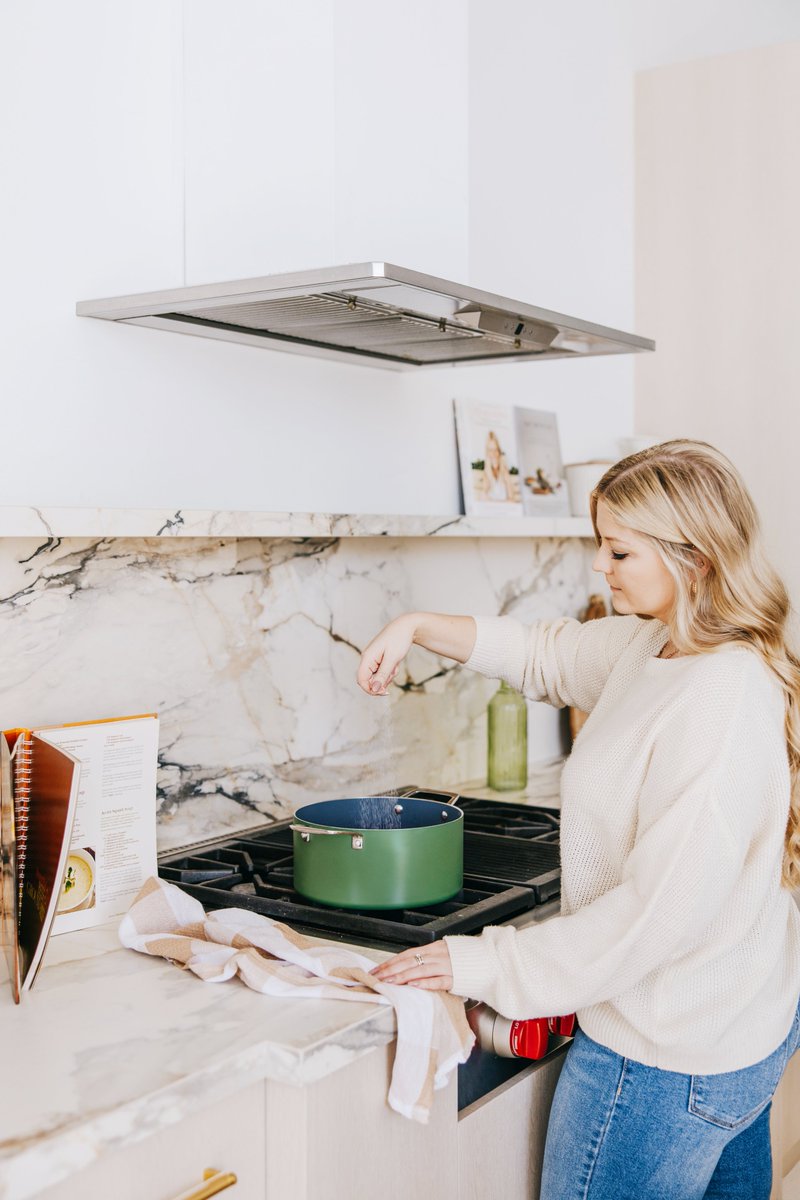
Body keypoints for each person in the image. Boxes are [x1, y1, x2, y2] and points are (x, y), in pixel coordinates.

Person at [356, 440, 800, 1200]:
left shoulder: (718, 701)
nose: (600, 566)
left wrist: (486, 964)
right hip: (730, 1029)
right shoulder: (663, 646)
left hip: (661, 1062)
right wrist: (417, 624)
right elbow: (546, 655)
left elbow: (657, 915)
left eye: (619, 550)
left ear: (691, 558)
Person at [479, 430, 520, 502]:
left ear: (499, 451)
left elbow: (512, 498)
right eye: (490, 450)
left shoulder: (504, 470)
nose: (493, 454)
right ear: (487, 453)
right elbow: (483, 496)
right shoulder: (487, 472)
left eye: (495, 450)